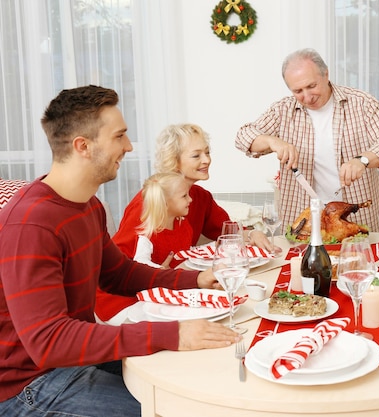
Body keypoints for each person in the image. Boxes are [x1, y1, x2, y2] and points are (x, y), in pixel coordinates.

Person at [0, 85, 241, 417]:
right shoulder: (30, 224)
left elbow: (119, 274)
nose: (129, 147)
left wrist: (196, 279)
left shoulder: (87, 205)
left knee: (207, 371)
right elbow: (49, 341)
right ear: (83, 146)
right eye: (120, 137)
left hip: (72, 358)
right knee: (178, 409)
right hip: (31, 383)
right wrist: (172, 332)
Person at [96, 123, 274, 323]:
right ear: (175, 162)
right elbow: (118, 269)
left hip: (168, 290)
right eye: (196, 155)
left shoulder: (198, 196)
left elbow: (225, 231)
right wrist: (155, 275)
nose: (207, 160)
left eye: (207, 152)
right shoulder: (149, 203)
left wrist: (251, 234)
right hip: (127, 301)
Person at [235, 48, 379, 232]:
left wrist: (362, 160)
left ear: (326, 74)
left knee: (358, 260)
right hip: (303, 220)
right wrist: (272, 141)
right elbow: (243, 137)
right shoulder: (283, 110)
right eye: (298, 90)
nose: (306, 97)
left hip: (358, 216)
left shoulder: (361, 103)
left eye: (311, 86)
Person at [132, 172, 193, 269]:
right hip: (158, 282)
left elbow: (186, 253)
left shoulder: (184, 224)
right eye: (184, 196)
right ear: (165, 203)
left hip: (182, 280)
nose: (190, 199)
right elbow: (140, 261)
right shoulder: (148, 234)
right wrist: (161, 270)